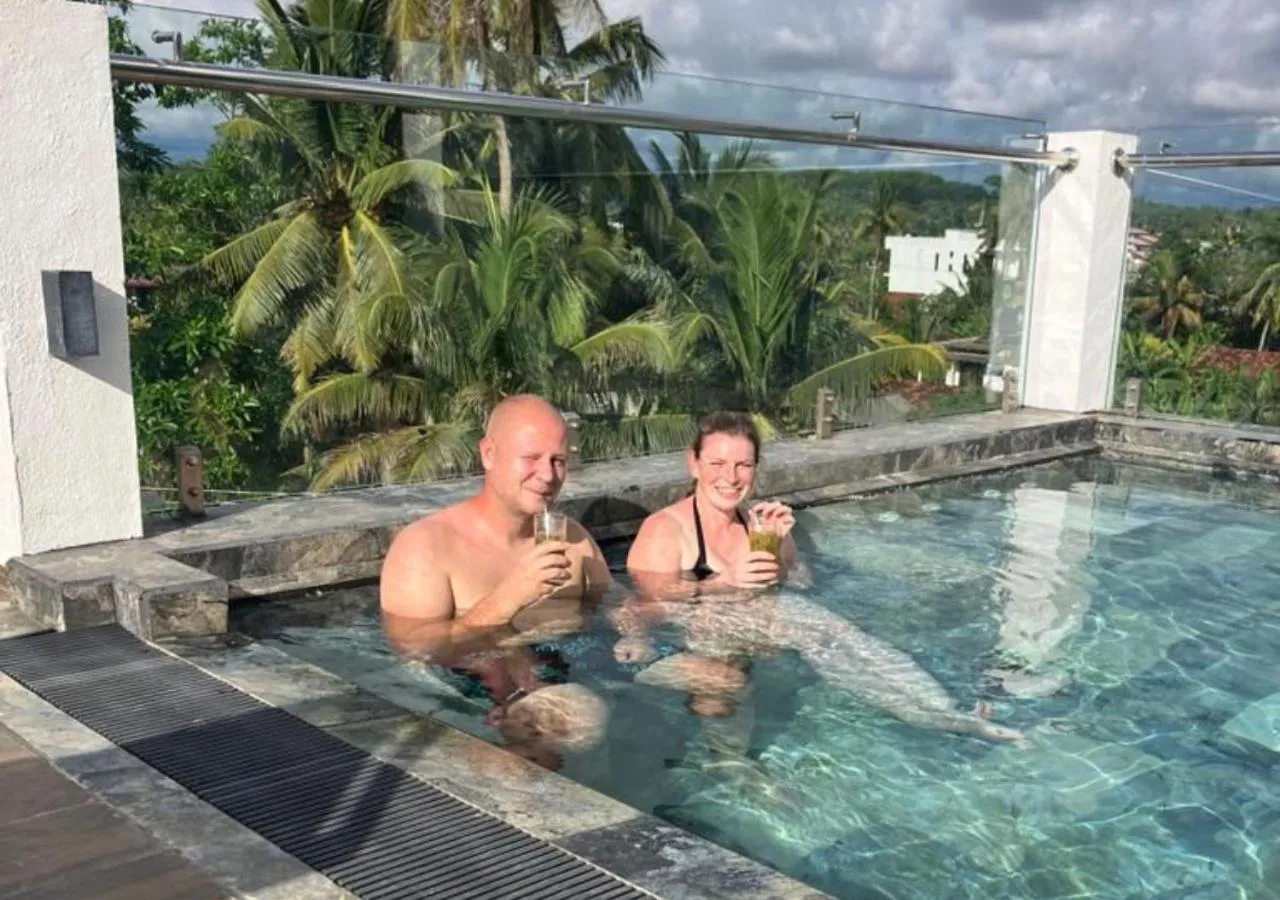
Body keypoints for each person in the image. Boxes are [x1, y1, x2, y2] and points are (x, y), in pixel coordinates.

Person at [379, 394, 612, 762]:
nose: (548, 475)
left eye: (558, 460)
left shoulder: (575, 540)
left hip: (560, 680)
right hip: (471, 700)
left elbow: (613, 610)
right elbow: (413, 651)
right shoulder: (426, 547)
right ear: (488, 453)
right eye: (531, 458)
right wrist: (505, 601)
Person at [625, 410, 805, 603]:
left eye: (744, 465)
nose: (731, 478)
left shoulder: (765, 527)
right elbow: (643, 605)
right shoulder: (664, 529)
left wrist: (775, 558)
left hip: (769, 624)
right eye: (717, 464)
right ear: (694, 464)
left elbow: (803, 582)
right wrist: (720, 584)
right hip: (706, 628)